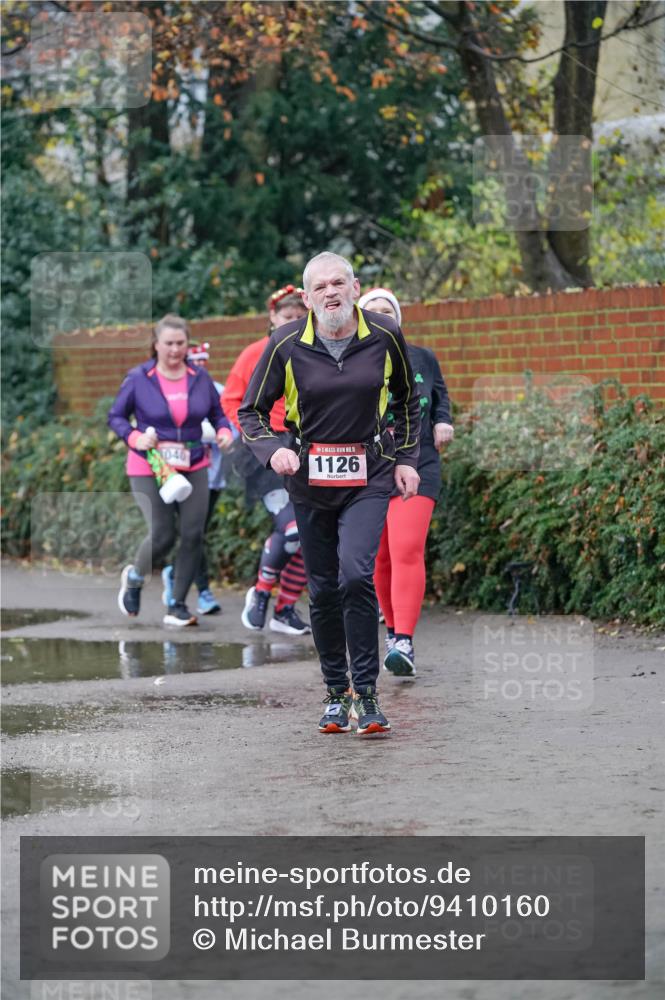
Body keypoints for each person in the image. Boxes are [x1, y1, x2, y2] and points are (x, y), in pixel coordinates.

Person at [239, 253, 421, 736]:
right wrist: (275, 451)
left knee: (356, 575)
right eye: (320, 287)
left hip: (368, 474)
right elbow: (250, 412)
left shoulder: (384, 334)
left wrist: (406, 458)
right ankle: (337, 694)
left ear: (355, 288)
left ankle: (368, 695)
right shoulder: (284, 343)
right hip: (310, 479)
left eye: (338, 283)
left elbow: (407, 401)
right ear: (306, 298)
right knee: (321, 589)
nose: (330, 293)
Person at [108, 315, 233, 626]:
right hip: (149, 464)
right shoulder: (139, 377)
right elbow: (116, 417)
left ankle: (177, 604)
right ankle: (135, 578)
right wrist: (135, 437)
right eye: (169, 344)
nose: (175, 350)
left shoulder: (199, 377)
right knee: (163, 533)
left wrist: (223, 431)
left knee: (193, 534)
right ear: (156, 345)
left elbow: (218, 414)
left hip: (193, 462)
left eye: (180, 343)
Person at [358, 288, 454, 678]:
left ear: (398, 319)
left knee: (406, 549)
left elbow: (440, 396)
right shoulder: (350, 360)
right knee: (380, 557)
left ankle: (405, 640)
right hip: (370, 467)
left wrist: (443, 421)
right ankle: (393, 634)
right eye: (374, 312)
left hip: (419, 462)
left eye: (389, 311)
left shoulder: (422, 358)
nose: (383, 317)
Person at [223, 285, 311, 637]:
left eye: (300, 318)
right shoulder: (254, 353)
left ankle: (284, 608)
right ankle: (260, 592)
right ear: (272, 318)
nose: (293, 323)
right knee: (292, 528)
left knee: (311, 533)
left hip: (305, 448)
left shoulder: (314, 351)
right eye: (287, 317)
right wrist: (251, 434)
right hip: (265, 449)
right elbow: (231, 400)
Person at [161, 341, 240, 616]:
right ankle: (202, 590)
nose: (198, 368)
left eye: (202, 363)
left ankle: (175, 574)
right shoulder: (167, 391)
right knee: (190, 533)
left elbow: (233, 429)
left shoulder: (218, 391)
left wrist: (222, 435)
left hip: (211, 477)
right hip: (177, 476)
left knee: (195, 534)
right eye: (193, 363)